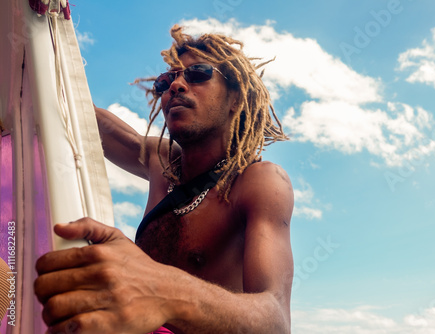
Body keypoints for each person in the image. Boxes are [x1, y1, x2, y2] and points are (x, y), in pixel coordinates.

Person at [34, 24, 294, 334]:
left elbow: (275, 320)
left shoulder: (258, 182)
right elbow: (76, 115)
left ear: (236, 99)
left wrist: (164, 289)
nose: (177, 85)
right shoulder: (161, 161)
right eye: (166, 81)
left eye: (198, 73)